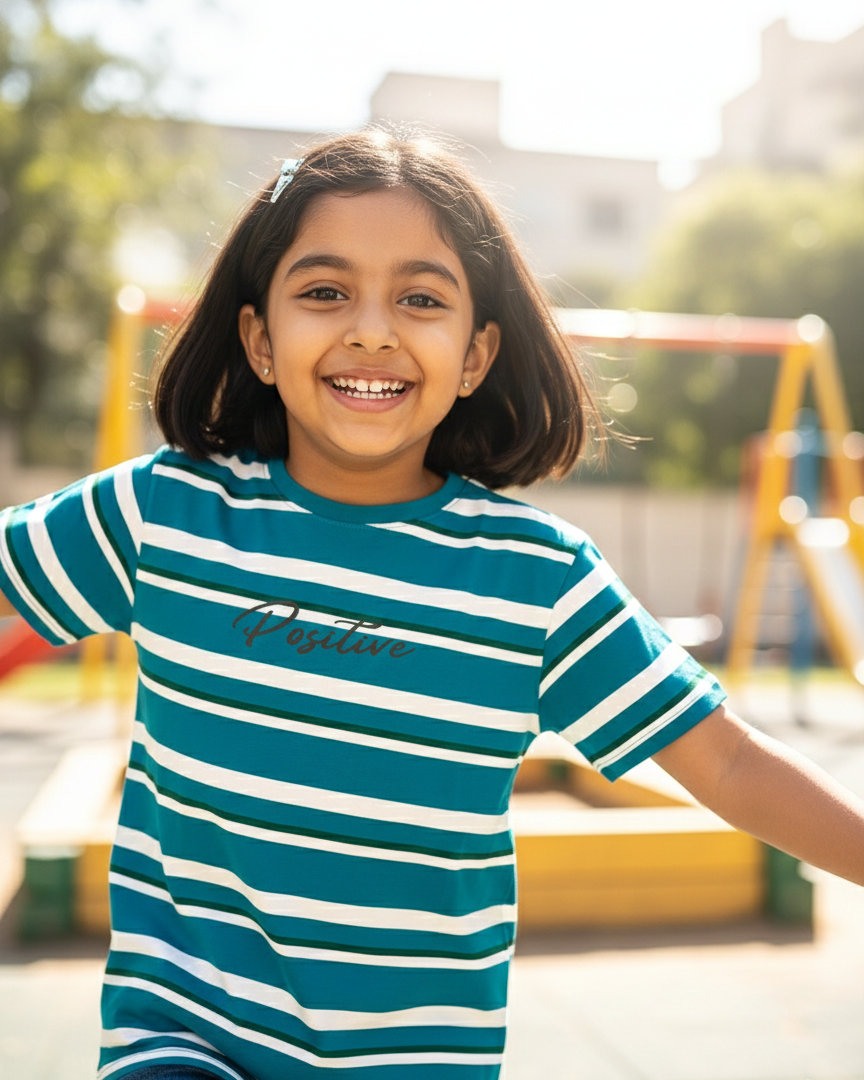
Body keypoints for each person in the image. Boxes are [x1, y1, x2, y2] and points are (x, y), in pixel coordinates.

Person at [0, 129, 862, 1080]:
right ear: (259, 339)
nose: (372, 328)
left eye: (420, 298)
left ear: (475, 354)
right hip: (186, 1045)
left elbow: (730, 762)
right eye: (325, 291)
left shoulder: (537, 578)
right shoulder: (166, 514)